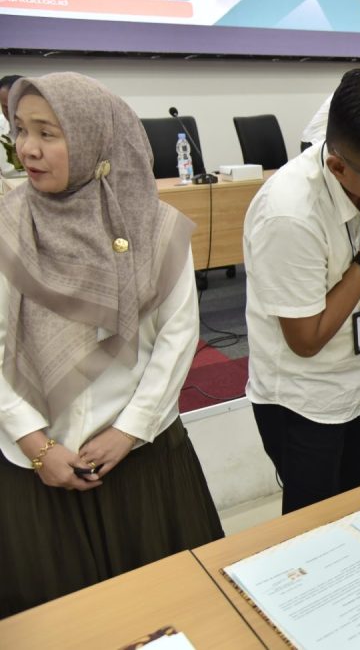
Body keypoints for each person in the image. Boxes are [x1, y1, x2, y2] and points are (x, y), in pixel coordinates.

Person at [0, 72, 223, 617]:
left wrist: (129, 430)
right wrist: (39, 447)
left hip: (142, 459)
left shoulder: (156, 227)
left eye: (48, 133)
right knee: (64, 624)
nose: (28, 148)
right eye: (20, 130)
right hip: (34, 470)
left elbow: (177, 337)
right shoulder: (8, 226)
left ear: (94, 138)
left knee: (171, 612)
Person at [244, 69, 360, 514]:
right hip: (306, 402)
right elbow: (305, 340)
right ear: (338, 166)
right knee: (315, 527)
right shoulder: (289, 214)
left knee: (358, 509)